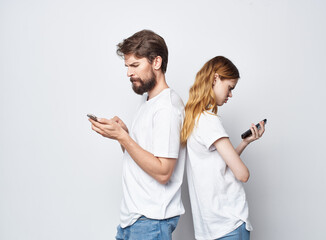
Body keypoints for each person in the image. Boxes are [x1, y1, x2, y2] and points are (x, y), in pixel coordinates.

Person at [89, 30, 185, 240]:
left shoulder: (167, 108)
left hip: (151, 222)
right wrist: (122, 135)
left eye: (135, 65)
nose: (129, 73)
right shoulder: (148, 102)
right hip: (133, 220)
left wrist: (124, 138)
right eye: (127, 66)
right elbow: (142, 158)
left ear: (156, 62)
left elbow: (163, 172)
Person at [180, 56, 265, 240]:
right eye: (230, 88)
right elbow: (242, 174)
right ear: (216, 78)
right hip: (228, 225)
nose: (230, 95)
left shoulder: (193, 119)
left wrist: (244, 142)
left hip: (213, 228)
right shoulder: (210, 121)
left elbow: (220, 165)